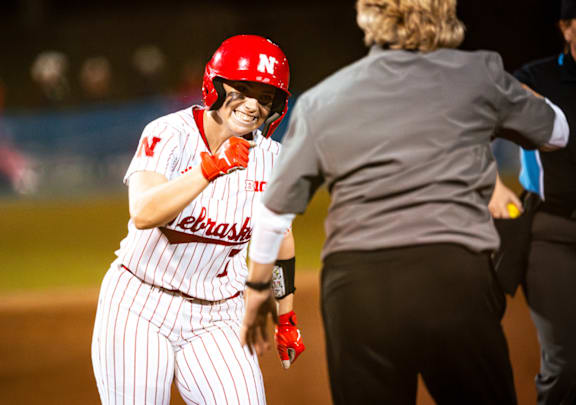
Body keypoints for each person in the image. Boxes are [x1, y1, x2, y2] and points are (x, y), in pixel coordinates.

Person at [239, 0, 570, 404]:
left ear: (369, 17)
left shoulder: (324, 98)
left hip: (358, 287)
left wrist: (258, 288)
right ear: (444, 14)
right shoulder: (479, 74)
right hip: (452, 276)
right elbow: (558, 133)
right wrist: (510, 92)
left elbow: (273, 213)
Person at [91, 35, 305, 405]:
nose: (253, 105)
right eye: (242, 89)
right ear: (216, 85)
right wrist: (210, 168)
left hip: (219, 314)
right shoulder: (168, 134)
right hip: (140, 304)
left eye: (266, 97)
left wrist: (286, 317)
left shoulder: (273, 159)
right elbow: (143, 212)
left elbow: (279, 238)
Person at [489, 1, 576, 403]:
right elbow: (467, 125)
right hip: (552, 233)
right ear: (566, 27)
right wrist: (490, 183)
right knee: (565, 365)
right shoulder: (534, 78)